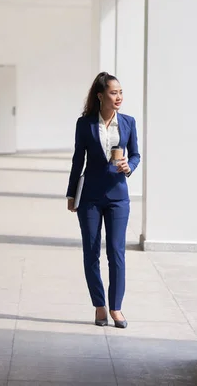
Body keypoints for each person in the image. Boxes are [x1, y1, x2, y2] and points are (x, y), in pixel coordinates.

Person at [66, 72, 140, 328]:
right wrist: (71, 192)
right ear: (100, 96)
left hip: (119, 196)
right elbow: (78, 160)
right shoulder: (84, 124)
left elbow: (136, 155)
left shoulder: (128, 122)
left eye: (120, 92)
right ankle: (99, 305)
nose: (118, 97)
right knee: (91, 252)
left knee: (116, 253)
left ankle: (116, 308)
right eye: (113, 92)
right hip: (90, 197)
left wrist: (128, 166)